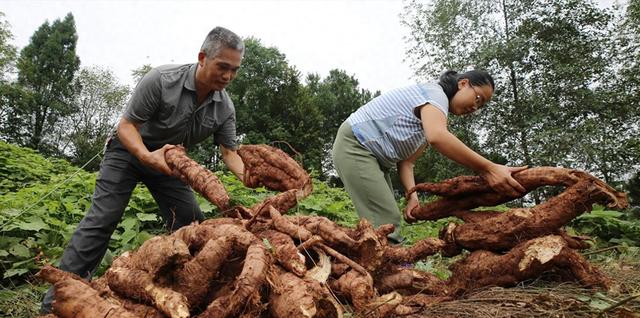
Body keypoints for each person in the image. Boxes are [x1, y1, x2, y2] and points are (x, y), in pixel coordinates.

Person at [41, 26, 246, 313]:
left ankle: (183, 293)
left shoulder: (224, 107)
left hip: (169, 163)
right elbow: (126, 126)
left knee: (192, 222)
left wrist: (252, 178)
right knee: (103, 218)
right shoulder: (161, 80)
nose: (227, 76)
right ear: (202, 57)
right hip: (127, 151)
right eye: (222, 67)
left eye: (234, 70)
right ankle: (56, 301)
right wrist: (145, 155)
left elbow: (229, 152)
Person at [331, 70, 527, 244]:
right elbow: (438, 137)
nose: (476, 108)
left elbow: (407, 163)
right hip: (356, 145)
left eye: (481, 105)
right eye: (478, 98)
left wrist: (412, 196)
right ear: (463, 83)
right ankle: (393, 270)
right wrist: (489, 168)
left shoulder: (431, 117)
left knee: (383, 218)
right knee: (386, 220)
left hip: (372, 156)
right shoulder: (435, 95)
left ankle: (370, 264)